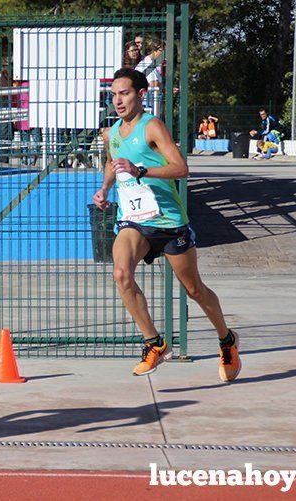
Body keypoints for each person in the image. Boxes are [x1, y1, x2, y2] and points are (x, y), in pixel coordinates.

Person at [91, 68, 240, 381]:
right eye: (114, 94)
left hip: (169, 221)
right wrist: (104, 189)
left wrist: (141, 170)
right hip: (134, 221)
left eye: (125, 93)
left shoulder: (152, 126)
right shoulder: (112, 132)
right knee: (120, 273)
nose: (118, 100)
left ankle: (226, 339)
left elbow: (180, 168)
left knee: (194, 289)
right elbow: (112, 162)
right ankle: (154, 343)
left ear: (141, 94)